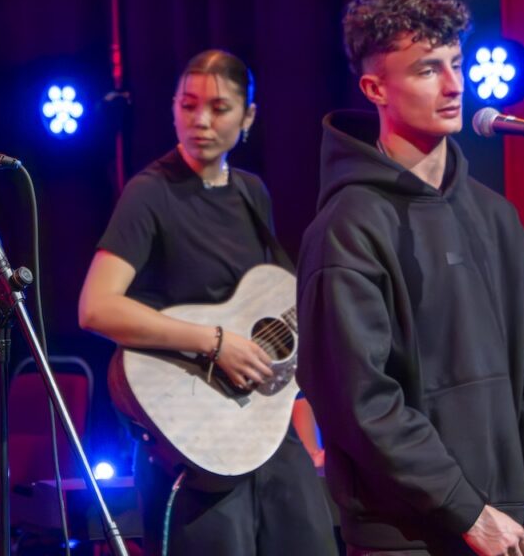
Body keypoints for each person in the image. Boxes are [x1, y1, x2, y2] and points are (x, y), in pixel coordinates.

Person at [296, 0, 524, 555]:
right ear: (375, 88)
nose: (453, 86)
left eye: (456, 64)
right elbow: (359, 400)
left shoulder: (495, 217)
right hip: (404, 533)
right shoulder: (348, 226)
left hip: (510, 527)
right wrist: (465, 509)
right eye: (427, 70)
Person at [79, 49, 335, 555]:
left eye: (218, 108)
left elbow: (278, 320)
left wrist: (307, 430)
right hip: (194, 438)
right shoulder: (150, 193)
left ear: (249, 117)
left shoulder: (251, 193)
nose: (200, 121)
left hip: (263, 427)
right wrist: (215, 342)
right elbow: (97, 307)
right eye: (188, 104)